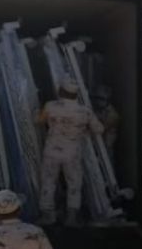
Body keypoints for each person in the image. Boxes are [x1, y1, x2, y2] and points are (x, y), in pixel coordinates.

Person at [37, 79, 104, 226]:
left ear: (61, 92)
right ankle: (71, 217)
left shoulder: (50, 106)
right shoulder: (85, 111)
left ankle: (48, 216)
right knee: (74, 184)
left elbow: (39, 121)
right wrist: (83, 130)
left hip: (52, 151)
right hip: (72, 153)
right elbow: (99, 129)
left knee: (48, 181)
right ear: (76, 95)